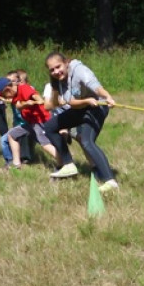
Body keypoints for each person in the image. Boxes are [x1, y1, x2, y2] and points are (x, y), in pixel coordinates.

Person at [43, 52, 119, 192]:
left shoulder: (79, 69)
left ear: (66, 62)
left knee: (86, 141)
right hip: (81, 107)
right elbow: (71, 102)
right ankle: (68, 164)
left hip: (97, 107)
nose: (56, 71)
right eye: (52, 70)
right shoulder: (58, 81)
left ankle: (110, 181)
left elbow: (94, 85)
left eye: (58, 66)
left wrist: (107, 96)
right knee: (49, 127)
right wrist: (85, 101)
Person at [0, 73, 58, 168]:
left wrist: (39, 100)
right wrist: (26, 104)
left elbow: (34, 95)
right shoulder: (14, 96)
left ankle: (65, 162)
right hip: (31, 123)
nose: (6, 98)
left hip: (41, 120)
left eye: (4, 95)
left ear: (8, 89)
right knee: (12, 135)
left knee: (45, 144)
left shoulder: (23, 88)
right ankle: (16, 164)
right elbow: (19, 105)